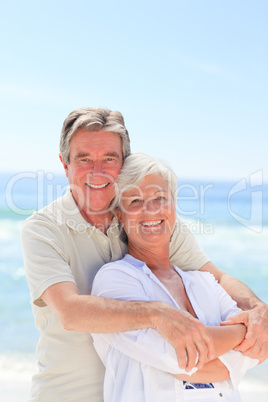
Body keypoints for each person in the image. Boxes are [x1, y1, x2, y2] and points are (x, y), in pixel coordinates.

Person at [21, 107, 267, 402]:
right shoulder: (42, 229)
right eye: (83, 159)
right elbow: (70, 313)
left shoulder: (149, 223)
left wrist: (256, 311)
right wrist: (156, 314)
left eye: (109, 159)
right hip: (65, 395)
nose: (97, 171)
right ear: (65, 165)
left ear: (123, 163)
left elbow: (217, 279)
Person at [91, 153, 259, 402]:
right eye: (136, 200)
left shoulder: (205, 282)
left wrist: (243, 340)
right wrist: (240, 334)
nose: (151, 210)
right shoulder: (115, 280)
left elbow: (255, 350)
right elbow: (175, 356)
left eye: (160, 198)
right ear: (119, 214)